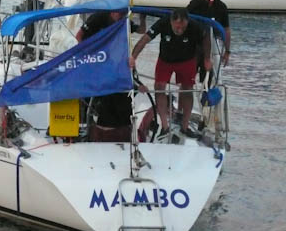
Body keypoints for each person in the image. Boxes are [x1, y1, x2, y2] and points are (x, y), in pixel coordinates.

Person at [129, 9, 211, 138]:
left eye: (183, 27)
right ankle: (165, 127)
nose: (180, 30)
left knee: (187, 89)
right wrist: (133, 57)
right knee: (159, 87)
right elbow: (144, 39)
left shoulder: (194, 26)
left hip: (187, 60)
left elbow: (206, 38)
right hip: (165, 60)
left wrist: (207, 59)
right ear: (171, 22)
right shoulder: (163, 22)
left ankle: (185, 127)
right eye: (177, 27)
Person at [76, 10, 146, 141]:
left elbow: (141, 30)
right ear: (113, 12)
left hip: (116, 62)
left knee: (124, 92)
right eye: (120, 14)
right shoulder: (98, 18)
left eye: (123, 15)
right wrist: (88, 57)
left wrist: (143, 18)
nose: (121, 17)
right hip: (99, 59)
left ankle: (122, 127)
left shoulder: (123, 21)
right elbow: (79, 36)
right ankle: (92, 124)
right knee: (102, 94)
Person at [187, 0, 231, 72]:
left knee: (210, 73)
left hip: (213, 44)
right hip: (195, 44)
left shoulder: (222, 7)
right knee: (190, 72)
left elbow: (226, 29)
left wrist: (227, 51)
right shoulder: (195, 4)